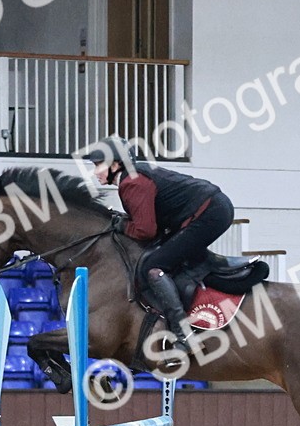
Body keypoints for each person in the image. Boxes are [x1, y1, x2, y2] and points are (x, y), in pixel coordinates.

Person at [84, 137, 233, 350]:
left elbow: (145, 231)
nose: (95, 171)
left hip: (210, 213)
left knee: (153, 268)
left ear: (116, 164)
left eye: (99, 164)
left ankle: (183, 334)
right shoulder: (132, 178)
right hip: (209, 210)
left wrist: (120, 225)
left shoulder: (132, 182)